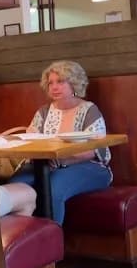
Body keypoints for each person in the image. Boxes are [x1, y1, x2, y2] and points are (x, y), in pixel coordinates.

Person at [7, 60, 113, 224]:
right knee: (14, 186)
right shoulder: (43, 112)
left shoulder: (89, 110)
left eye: (61, 82)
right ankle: (22, 242)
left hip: (89, 167)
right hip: (44, 166)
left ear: (75, 83)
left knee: (53, 189)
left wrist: (60, 159)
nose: (54, 87)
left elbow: (95, 149)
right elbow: (30, 141)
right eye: (50, 83)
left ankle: (51, 245)